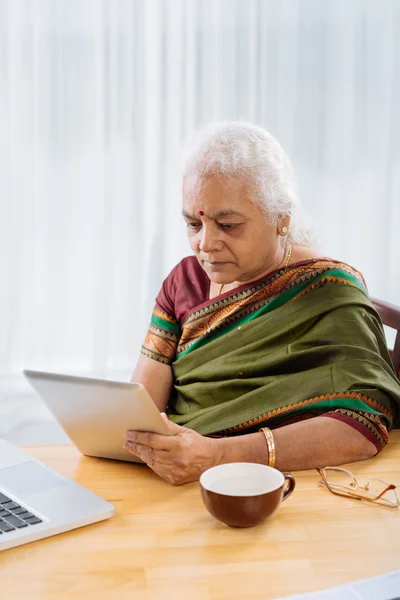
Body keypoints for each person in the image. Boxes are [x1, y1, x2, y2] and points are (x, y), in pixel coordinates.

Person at [123, 122, 400, 485]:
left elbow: (365, 422)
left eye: (229, 225)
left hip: (283, 486)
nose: (206, 244)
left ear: (281, 220)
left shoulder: (328, 290)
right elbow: (142, 410)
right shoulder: (185, 281)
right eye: (194, 224)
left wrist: (219, 455)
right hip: (178, 478)